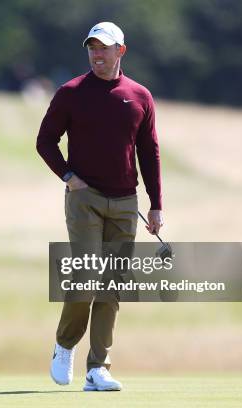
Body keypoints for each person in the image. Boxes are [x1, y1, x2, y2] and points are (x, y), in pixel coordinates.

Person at [36, 21, 163, 391]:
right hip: (85, 198)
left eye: (104, 48)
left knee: (113, 285)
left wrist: (156, 205)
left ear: (120, 51)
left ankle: (97, 368)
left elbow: (149, 152)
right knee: (87, 276)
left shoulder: (140, 96)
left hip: (126, 201)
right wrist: (68, 176)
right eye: (92, 47)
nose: (97, 54)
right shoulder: (71, 92)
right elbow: (45, 141)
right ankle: (64, 344)